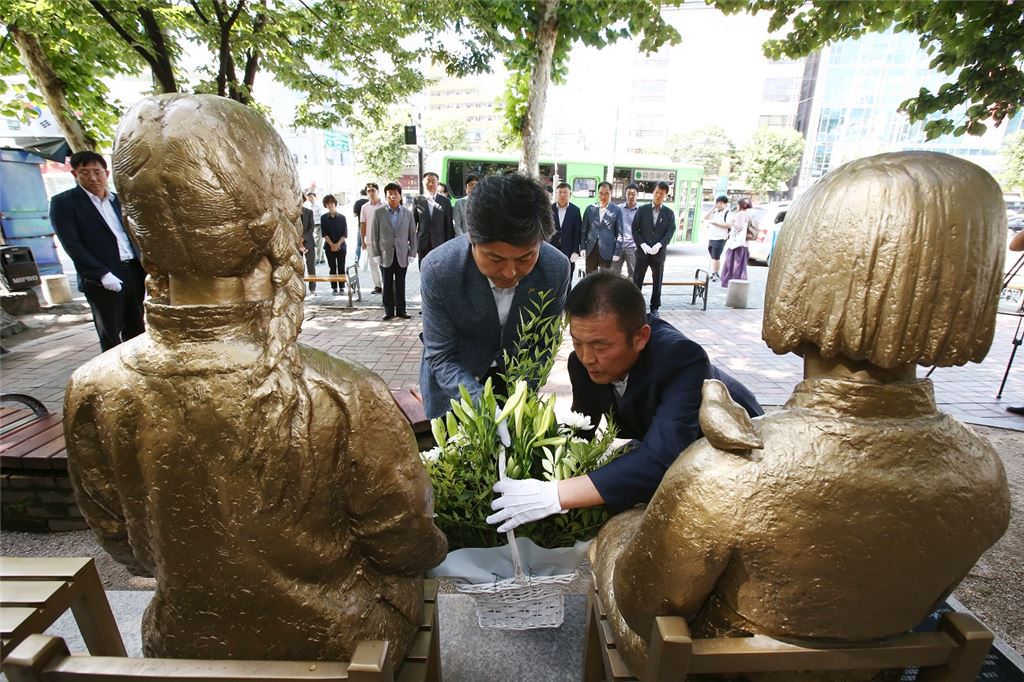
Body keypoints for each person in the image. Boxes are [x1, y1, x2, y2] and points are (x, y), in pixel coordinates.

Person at [590, 151, 1010, 676]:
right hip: (869, 669)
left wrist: (623, 529)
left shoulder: (728, 473)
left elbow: (641, 606)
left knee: (617, 538)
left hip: (720, 669)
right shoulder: (983, 473)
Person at [65, 93, 446, 670]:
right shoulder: (345, 393)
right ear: (277, 211)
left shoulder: (91, 389)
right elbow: (406, 545)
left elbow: (131, 553)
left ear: (138, 226)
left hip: (180, 642)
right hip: (344, 645)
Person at [487, 272, 762, 531]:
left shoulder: (683, 358)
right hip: (671, 451)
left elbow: (662, 458)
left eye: (601, 346)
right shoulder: (581, 364)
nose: (587, 358)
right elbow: (582, 427)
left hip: (742, 460)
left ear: (640, 336)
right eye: (577, 342)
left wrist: (555, 495)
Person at [419, 173, 571, 419]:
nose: (510, 272)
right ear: (472, 240)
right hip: (455, 387)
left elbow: (544, 345)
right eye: (495, 259)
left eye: (524, 259)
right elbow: (442, 356)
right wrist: (486, 409)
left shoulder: (555, 268)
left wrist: (516, 401)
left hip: (516, 382)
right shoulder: (440, 270)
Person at [49, 150, 146, 351]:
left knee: (136, 328)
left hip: (132, 271)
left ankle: (137, 370)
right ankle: (111, 376)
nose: (93, 178)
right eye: (85, 172)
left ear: (106, 173)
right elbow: (72, 245)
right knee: (110, 332)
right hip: (102, 278)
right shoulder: (64, 203)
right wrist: (101, 274)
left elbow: (135, 234)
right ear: (75, 174)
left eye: (97, 172)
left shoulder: (118, 201)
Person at [371, 182, 416, 320]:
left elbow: (412, 235)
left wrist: (412, 253)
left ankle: (401, 310)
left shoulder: (407, 213)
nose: (392, 196)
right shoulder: (379, 213)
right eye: (389, 194)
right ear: (386, 196)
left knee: (401, 283)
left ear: (400, 196)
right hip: (385, 255)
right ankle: (388, 311)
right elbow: (374, 235)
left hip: (402, 254)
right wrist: (376, 254)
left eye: (395, 193)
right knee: (387, 283)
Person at [631, 181, 675, 317]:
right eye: (656, 192)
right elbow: (634, 229)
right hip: (642, 253)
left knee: (657, 280)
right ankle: (636, 306)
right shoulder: (642, 210)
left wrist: (660, 245)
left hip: (658, 253)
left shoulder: (669, 213)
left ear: (665, 196)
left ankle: (655, 307)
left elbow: (670, 232)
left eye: (661, 194)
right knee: (637, 279)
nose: (658, 196)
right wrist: (642, 244)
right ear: (653, 193)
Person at [580, 181, 623, 274]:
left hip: (607, 250)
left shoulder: (616, 210)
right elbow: (584, 230)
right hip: (591, 249)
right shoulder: (590, 209)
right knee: (590, 278)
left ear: (611, 193)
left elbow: (620, 233)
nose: (603, 196)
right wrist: (582, 247)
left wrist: (617, 252)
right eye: (601, 193)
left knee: (605, 280)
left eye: (606, 193)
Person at [414, 171, 455, 261]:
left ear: (437, 183)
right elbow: (413, 224)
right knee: (423, 271)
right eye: (428, 181)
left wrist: (449, 246)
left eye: (433, 181)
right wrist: (415, 243)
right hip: (423, 244)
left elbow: (449, 226)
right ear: (423, 183)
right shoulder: (418, 200)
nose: (430, 184)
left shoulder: (445, 202)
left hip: (440, 244)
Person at [550, 181, 583, 283]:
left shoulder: (575, 210)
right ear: (556, 194)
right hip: (552, 249)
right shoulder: (549, 209)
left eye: (565, 192)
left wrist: (576, 251)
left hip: (569, 251)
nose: (562, 195)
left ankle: (568, 298)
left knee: (567, 278)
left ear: (570, 194)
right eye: (560, 192)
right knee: (552, 277)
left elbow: (578, 232)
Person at [720, 197, 754, 288]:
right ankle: (739, 283)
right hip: (744, 244)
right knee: (741, 265)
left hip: (736, 244)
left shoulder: (740, 214)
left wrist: (732, 222)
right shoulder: (748, 214)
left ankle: (730, 283)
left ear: (740, 205)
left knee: (732, 264)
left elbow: (739, 227)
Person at [360, 182, 384, 294]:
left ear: (378, 191)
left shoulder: (385, 205)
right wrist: (363, 241)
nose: (371, 192)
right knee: (373, 264)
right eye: (368, 191)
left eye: (373, 190)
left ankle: (386, 284)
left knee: (384, 263)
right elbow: (363, 224)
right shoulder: (364, 207)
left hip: (384, 240)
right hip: (370, 240)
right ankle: (377, 286)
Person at [320, 194, 347, 295]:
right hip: (329, 246)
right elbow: (324, 233)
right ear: (325, 205)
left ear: (335, 203)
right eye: (327, 203)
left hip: (341, 246)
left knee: (341, 267)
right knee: (332, 267)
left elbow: (345, 233)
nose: (330, 205)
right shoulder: (323, 218)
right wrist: (331, 244)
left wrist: (338, 244)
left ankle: (342, 286)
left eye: (332, 202)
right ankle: (334, 287)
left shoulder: (342, 217)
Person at [613, 183, 639, 279]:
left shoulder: (640, 210)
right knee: (614, 275)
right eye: (628, 194)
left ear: (637, 195)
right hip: (618, 248)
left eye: (633, 194)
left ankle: (630, 294)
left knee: (633, 275)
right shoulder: (618, 209)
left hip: (633, 248)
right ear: (625, 194)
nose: (631, 196)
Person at [703, 195, 730, 282]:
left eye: (721, 203)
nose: (719, 204)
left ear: (725, 204)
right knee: (712, 255)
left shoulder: (727, 213)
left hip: (720, 237)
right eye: (717, 203)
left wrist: (716, 223)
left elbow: (729, 225)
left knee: (716, 256)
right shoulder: (715, 212)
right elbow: (705, 217)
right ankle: (714, 272)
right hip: (712, 237)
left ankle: (716, 273)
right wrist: (713, 208)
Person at [300, 199, 317, 293]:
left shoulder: (309, 212)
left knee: (311, 266)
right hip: (296, 243)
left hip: (308, 242)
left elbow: (311, 228)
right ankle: (300, 289)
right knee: (298, 267)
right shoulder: (291, 212)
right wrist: (298, 240)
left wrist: (303, 238)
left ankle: (313, 288)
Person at [352, 187, 368, 265]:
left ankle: (357, 260)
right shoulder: (370, 202)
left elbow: (354, 215)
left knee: (359, 244)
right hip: (370, 226)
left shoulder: (357, 202)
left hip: (361, 225)